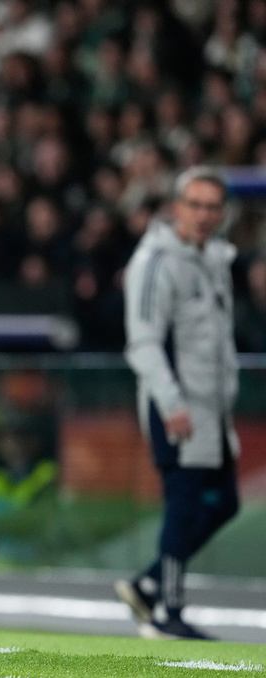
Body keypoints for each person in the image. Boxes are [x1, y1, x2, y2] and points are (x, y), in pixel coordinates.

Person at [117, 166, 240, 640]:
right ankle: (167, 611)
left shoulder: (213, 259)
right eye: (196, 205)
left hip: (214, 407)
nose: (205, 215)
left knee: (224, 502)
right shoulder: (155, 261)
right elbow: (144, 342)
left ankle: (148, 584)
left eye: (213, 206)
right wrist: (171, 403)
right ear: (176, 207)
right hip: (177, 405)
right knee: (183, 505)